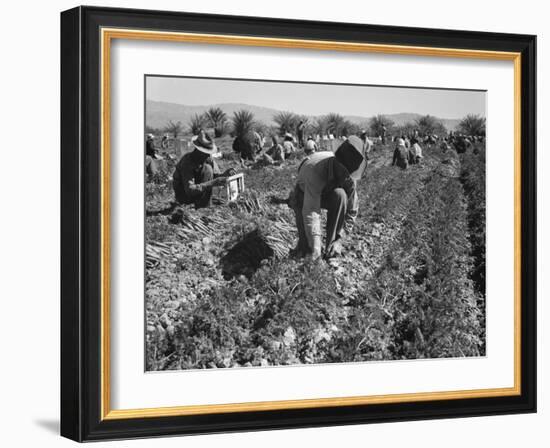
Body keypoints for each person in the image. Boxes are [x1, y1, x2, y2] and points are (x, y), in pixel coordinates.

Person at [289, 135, 367, 260]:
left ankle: (331, 246)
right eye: (344, 172)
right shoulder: (315, 171)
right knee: (307, 247)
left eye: (349, 174)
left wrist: (340, 240)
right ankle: (307, 250)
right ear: (336, 162)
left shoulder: (349, 176)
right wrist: (315, 247)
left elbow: (352, 211)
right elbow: (311, 211)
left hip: (328, 191)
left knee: (340, 195)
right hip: (304, 193)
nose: (347, 177)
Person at [173, 130, 236, 208]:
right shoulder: (187, 163)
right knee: (207, 169)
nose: (208, 155)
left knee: (208, 169)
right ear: (198, 151)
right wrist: (214, 182)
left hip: (199, 192)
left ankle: (204, 203)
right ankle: (202, 205)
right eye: (205, 153)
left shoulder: (207, 159)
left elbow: (214, 177)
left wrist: (224, 175)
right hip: (184, 196)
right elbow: (190, 190)